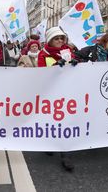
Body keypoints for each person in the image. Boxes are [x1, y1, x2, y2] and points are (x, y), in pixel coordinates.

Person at [38, 27, 77, 172]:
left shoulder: (69, 51)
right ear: (50, 40)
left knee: (65, 121)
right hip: (50, 93)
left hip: (67, 93)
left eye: (62, 38)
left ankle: (65, 153)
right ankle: (49, 144)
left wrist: (76, 63)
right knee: (51, 121)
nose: (60, 40)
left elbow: (76, 70)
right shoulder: (43, 54)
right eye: (57, 38)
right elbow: (41, 73)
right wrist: (55, 66)